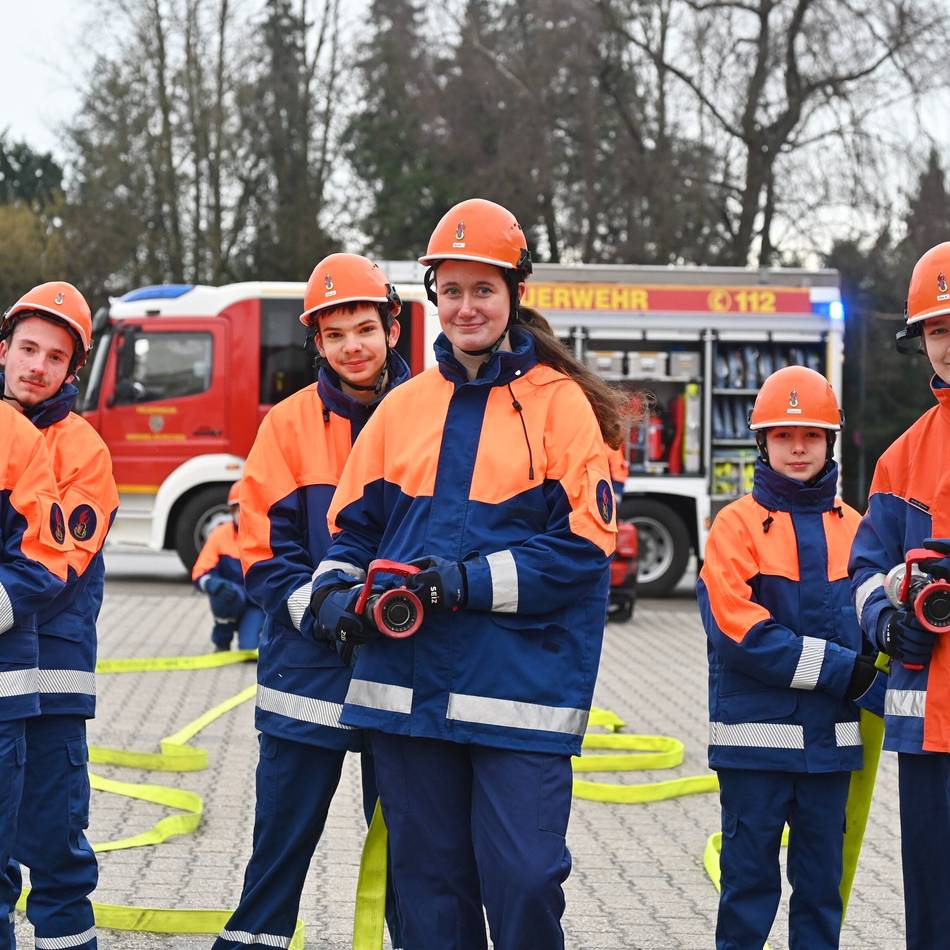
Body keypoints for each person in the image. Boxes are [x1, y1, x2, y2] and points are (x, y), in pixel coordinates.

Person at [310, 198, 623, 950]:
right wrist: (332, 599)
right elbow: (351, 532)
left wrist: (459, 584)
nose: (466, 306)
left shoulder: (561, 407)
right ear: (432, 299)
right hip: (408, 698)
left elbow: (582, 553)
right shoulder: (402, 407)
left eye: (483, 289)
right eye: (451, 290)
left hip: (521, 697)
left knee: (523, 883)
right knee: (427, 901)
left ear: (515, 293)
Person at [213, 254, 409, 950]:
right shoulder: (287, 426)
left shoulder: (431, 416)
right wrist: (319, 609)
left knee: (412, 876)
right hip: (306, 677)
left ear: (393, 326)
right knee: (275, 870)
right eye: (335, 334)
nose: (353, 345)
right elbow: (261, 551)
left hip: (405, 677)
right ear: (316, 344)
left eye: (365, 327)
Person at [697, 365, 882, 950]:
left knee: (821, 890)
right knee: (748, 888)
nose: (797, 447)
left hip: (830, 750)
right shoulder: (736, 525)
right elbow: (737, 630)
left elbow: (876, 623)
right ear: (762, 441)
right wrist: (841, 673)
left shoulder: (859, 530)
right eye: (783, 435)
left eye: (809, 435)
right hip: (755, 753)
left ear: (831, 441)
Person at [0, 281, 118, 950]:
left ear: (73, 370)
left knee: (54, 846)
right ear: (5, 349)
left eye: (53, 357)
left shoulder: (83, 450)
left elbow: (58, 559)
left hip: (51, 677)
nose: (36, 366)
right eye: (27, 349)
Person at [849, 241, 950, 949]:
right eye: (940, 330)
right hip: (931, 732)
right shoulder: (901, 457)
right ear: (922, 343)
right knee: (934, 917)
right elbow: (862, 571)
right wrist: (887, 623)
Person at [192, 482, 262, 652]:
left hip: (256, 604)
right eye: (238, 508)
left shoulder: (263, 535)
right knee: (223, 594)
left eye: (246, 507)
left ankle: (254, 631)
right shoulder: (219, 535)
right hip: (232, 597)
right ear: (231, 511)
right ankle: (222, 641)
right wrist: (212, 584)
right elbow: (200, 573)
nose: (242, 513)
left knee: (249, 649)